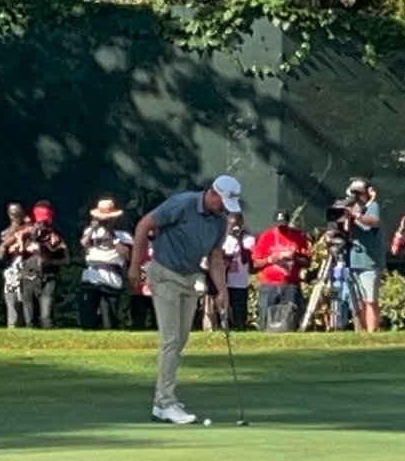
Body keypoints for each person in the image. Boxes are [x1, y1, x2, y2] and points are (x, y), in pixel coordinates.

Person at [130, 175, 239, 425]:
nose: (223, 208)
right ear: (212, 193)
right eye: (221, 201)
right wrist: (135, 266)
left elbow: (215, 257)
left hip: (190, 278)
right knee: (170, 339)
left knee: (180, 339)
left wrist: (222, 290)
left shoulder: (220, 222)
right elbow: (144, 225)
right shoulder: (183, 204)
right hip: (164, 274)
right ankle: (164, 402)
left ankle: (164, 399)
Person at [251, 209, 309, 331]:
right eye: (278, 225)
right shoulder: (267, 236)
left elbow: (307, 261)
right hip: (269, 284)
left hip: (290, 284)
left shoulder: (297, 237)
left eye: (283, 225)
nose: (281, 228)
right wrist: (271, 259)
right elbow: (255, 263)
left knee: (290, 319)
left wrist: (294, 257)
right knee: (266, 319)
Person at [79, 198, 132, 330]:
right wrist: (92, 229)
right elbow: (83, 244)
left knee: (109, 317)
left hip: (111, 278)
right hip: (91, 276)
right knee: (88, 314)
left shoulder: (123, 235)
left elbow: (127, 254)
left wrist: (113, 237)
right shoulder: (90, 233)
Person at [340, 178, 383, 333]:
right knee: (358, 300)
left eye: (359, 193)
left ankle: (372, 331)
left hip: (369, 262)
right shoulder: (351, 207)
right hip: (353, 260)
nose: (356, 197)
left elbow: (373, 222)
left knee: (370, 299)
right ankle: (361, 330)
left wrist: (356, 214)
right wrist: (345, 218)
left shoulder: (372, 206)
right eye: (354, 193)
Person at [16, 202, 68, 328]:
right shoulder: (26, 234)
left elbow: (66, 260)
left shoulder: (56, 236)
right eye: (39, 222)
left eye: (44, 222)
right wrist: (21, 241)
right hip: (28, 277)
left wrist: (50, 260)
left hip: (48, 278)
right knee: (29, 319)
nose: (41, 225)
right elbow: (14, 252)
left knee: (46, 317)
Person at [220, 211, 256, 331]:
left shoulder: (248, 239)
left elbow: (248, 258)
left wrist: (239, 239)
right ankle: (225, 326)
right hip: (225, 279)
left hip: (240, 280)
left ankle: (240, 325)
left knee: (239, 305)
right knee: (225, 305)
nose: (234, 227)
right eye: (231, 224)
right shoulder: (223, 239)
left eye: (237, 224)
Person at [0, 203, 30, 328]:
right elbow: (1, 253)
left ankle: (26, 324)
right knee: (11, 300)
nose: (15, 216)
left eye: (17, 213)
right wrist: (12, 240)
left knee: (24, 300)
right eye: (12, 213)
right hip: (11, 269)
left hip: (26, 267)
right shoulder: (5, 233)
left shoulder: (29, 229)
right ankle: (12, 325)